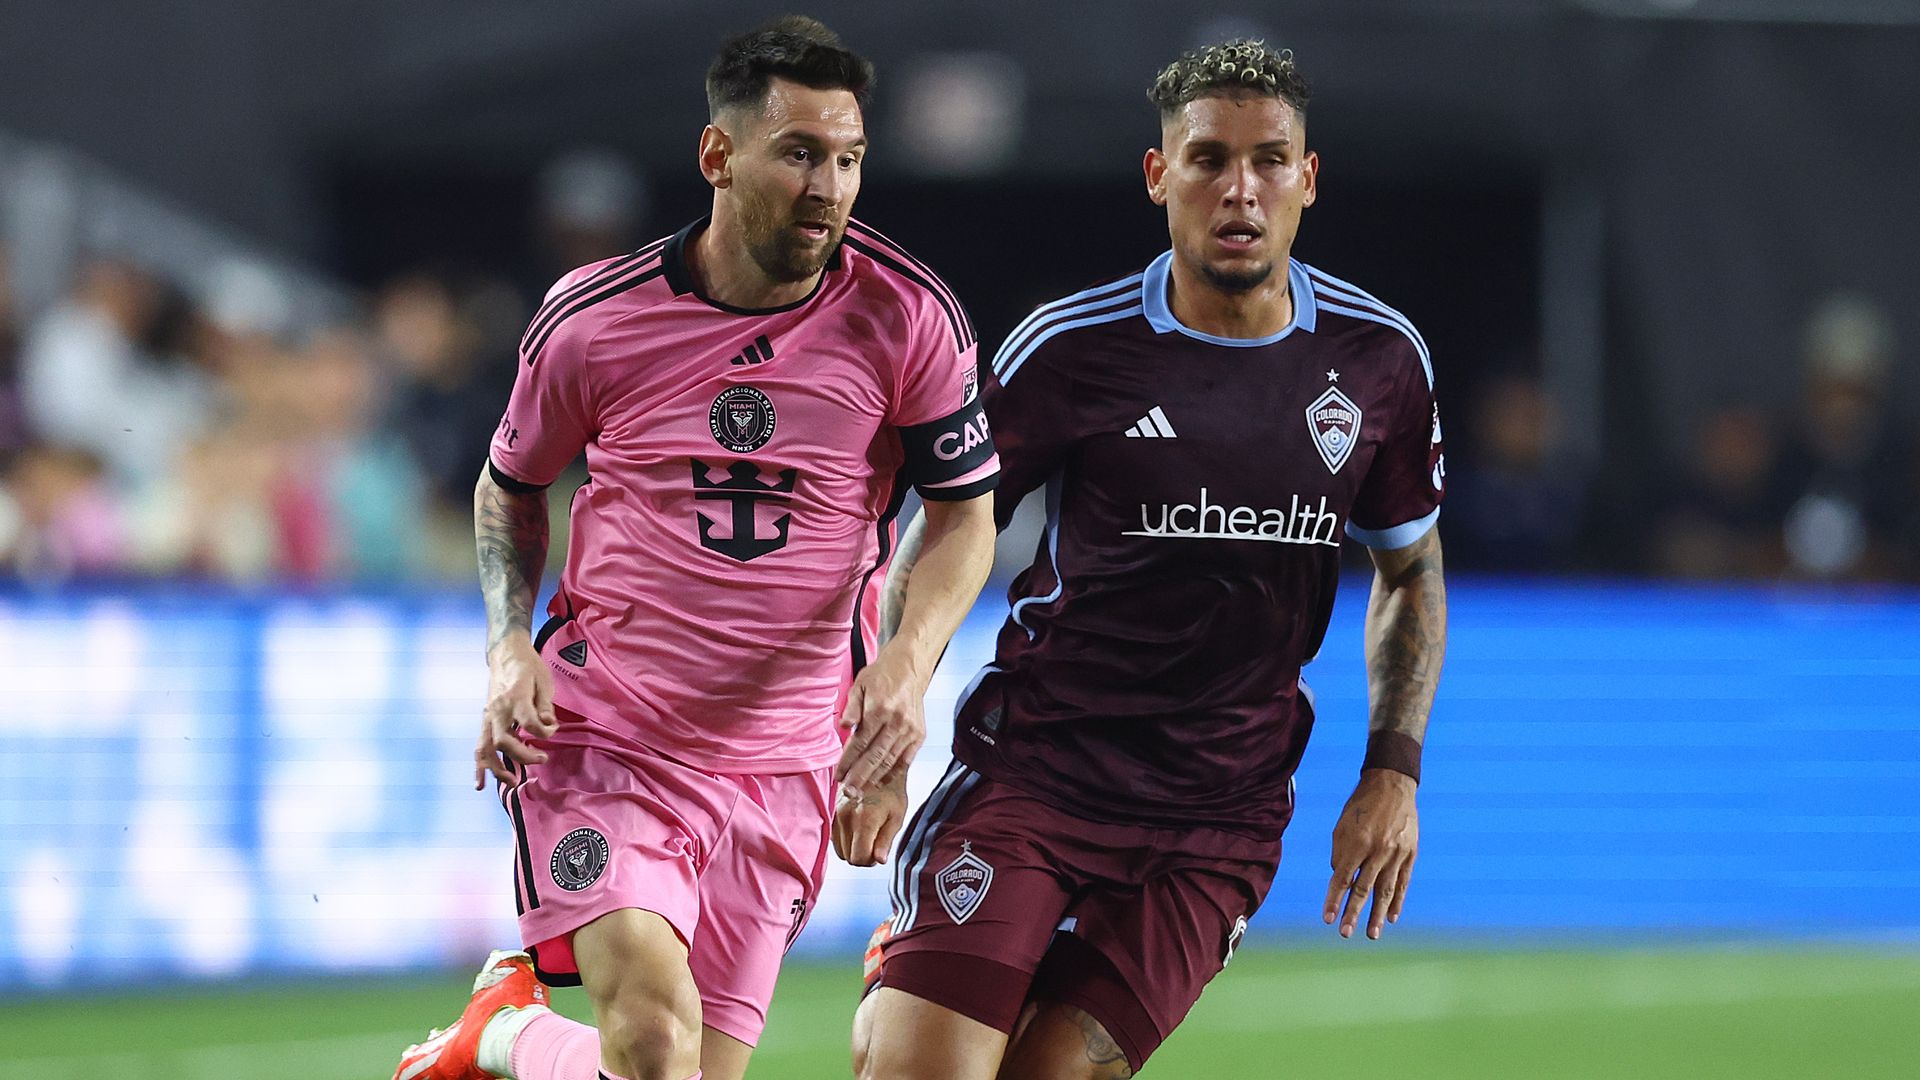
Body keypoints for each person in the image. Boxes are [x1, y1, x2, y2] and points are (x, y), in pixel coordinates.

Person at [393, 17, 1000, 1080]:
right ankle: (510, 1024)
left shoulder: (908, 319)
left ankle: (504, 1031)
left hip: (788, 755)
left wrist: (906, 673)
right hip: (611, 735)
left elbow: (964, 515)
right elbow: (512, 485)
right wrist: (506, 646)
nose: (828, 186)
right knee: (655, 1040)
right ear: (720, 157)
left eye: (849, 159)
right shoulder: (593, 322)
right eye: (800, 152)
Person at [844, 40, 1449, 1079]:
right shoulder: (1070, 348)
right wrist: (894, 703)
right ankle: (915, 979)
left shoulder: (1378, 361)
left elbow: (1409, 571)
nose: (1240, 189)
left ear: (1308, 179)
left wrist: (1392, 770)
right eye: (1209, 159)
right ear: (1159, 175)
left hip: (1217, 816)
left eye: (1269, 161)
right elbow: (949, 523)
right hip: (1036, 775)